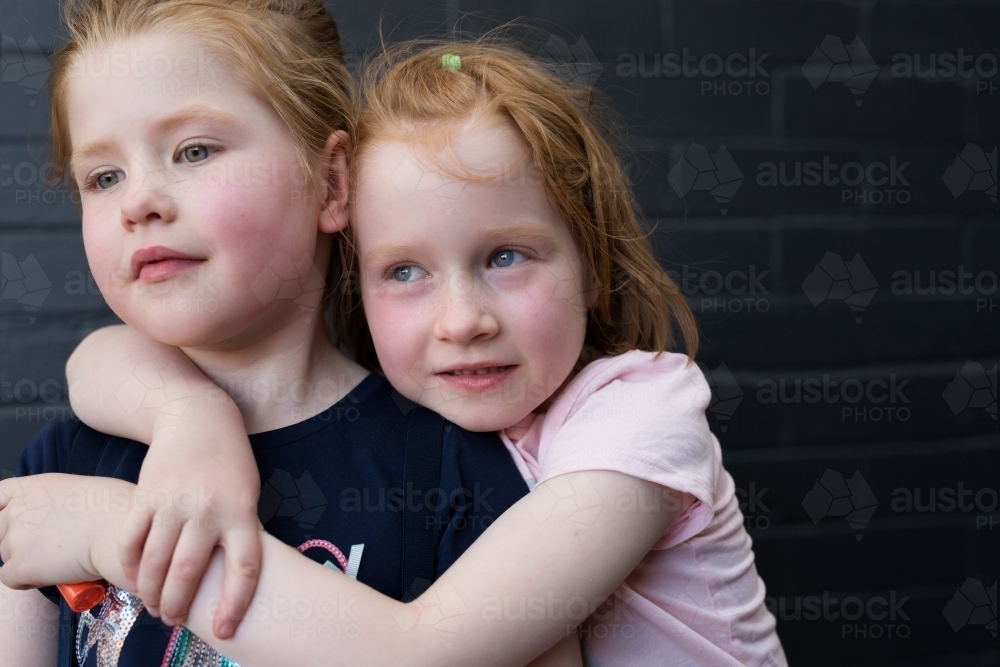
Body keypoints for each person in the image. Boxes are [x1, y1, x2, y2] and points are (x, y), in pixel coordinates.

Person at [0, 21, 787, 667]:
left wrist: (112, 530)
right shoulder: (62, 457)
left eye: (196, 149)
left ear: (330, 183)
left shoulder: (574, 434)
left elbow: (424, 650)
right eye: (101, 177)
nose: (461, 320)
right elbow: (94, 362)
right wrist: (187, 417)